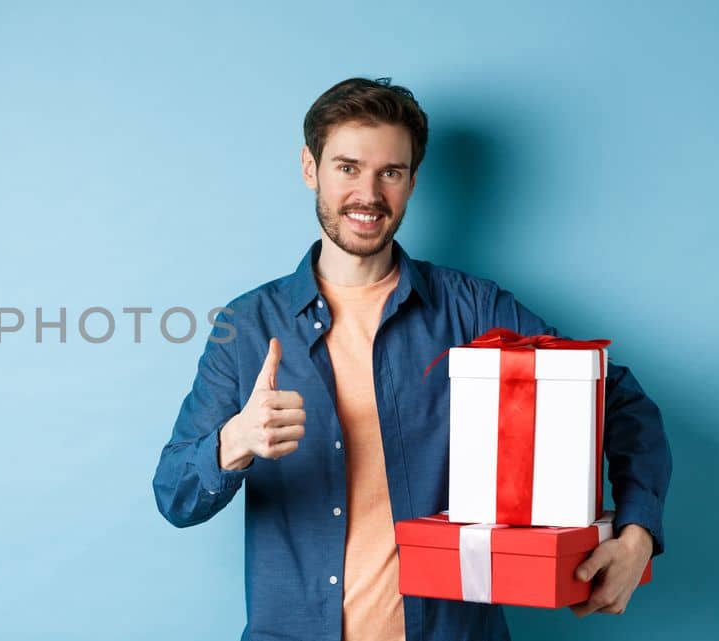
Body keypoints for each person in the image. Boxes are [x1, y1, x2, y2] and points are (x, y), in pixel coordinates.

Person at [150, 77, 670, 641]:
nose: (368, 195)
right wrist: (234, 442)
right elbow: (175, 495)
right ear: (310, 168)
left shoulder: (474, 310)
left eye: (390, 173)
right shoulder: (247, 327)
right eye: (348, 167)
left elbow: (615, 398)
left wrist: (637, 531)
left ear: (412, 181)